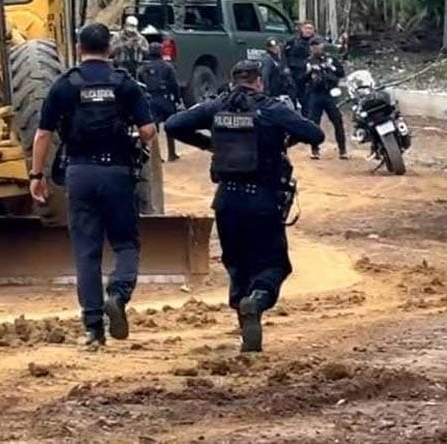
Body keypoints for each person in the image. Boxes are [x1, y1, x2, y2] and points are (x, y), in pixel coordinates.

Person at [166, 60, 324, 352]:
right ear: (259, 81)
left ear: (233, 80)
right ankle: (259, 300)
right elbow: (315, 134)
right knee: (273, 264)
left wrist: (207, 143)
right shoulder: (271, 109)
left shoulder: (217, 107)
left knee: (238, 267)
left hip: (226, 201)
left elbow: (174, 124)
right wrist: (284, 140)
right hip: (262, 201)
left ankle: (247, 334)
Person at [31, 22, 156, 348]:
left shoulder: (65, 85)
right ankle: (118, 293)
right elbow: (148, 131)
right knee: (126, 244)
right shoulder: (124, 84)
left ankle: (93, 329)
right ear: (110, 48)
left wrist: (36, 175)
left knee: (86, 253)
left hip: (79, 173)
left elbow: (43, 134)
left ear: (78, 46)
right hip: (116, 172)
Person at [138, 42, 182, 161]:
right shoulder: (168, 67)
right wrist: (178, 98)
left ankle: (156, 156)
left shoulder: (142, 69)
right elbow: (174, 84)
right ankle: (171, 153)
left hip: (150, 99)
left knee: (154, 129)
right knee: (170, 126)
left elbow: (139, 86)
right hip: (166, 98)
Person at [304, 37, 348, 160]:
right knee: (313, 123)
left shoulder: (331, 59)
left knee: (337, 121)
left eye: (317, 45)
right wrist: (309, 73)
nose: (315, 48)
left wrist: (330, 71)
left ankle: (342, 149)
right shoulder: (308, 61)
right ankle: (315, 149)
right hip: (315, 94)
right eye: (313, 46)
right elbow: (302, 79)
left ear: (322, 46)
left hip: (330, 93)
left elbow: (341, 73)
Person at [284, 21, 316, 111]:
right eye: (306, 28)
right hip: (295, 73)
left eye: (310, 28)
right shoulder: (292, 41)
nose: (308, 31)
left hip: (310, 76)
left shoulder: (316, 42)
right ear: (302, 29)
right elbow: (284, 56)